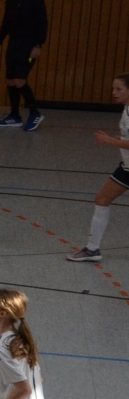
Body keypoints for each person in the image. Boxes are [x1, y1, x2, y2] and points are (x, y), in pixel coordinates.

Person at [67, 72, 129, 262]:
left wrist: (110, 140)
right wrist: (120, 139)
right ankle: (92, 249)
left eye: (119, 89)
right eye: (113, 88)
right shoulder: (126, 109)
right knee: (102, 199)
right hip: (127, 168)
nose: (114, 92)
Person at [0, 0, 49, 132]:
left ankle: (34, 112)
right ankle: (15, 115)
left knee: (19, 79)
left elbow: (42, 23)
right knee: (10, 79)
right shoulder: (10, 0)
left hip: (29, 47)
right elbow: (6, 23)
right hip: (14, 45)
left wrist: (38, 45)